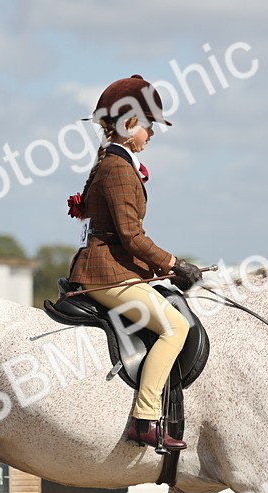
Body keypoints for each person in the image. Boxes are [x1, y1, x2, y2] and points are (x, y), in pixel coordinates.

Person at [66, 74, 204, 451]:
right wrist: (174, 263)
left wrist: (162, 270)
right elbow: (131, 236)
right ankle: (145, 419)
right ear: (129, 123)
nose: (152, 134)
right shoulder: (117, 168)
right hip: (106, 275)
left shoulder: (114, 163)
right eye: (148, 126)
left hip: (115, 268)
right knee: (175, 327)